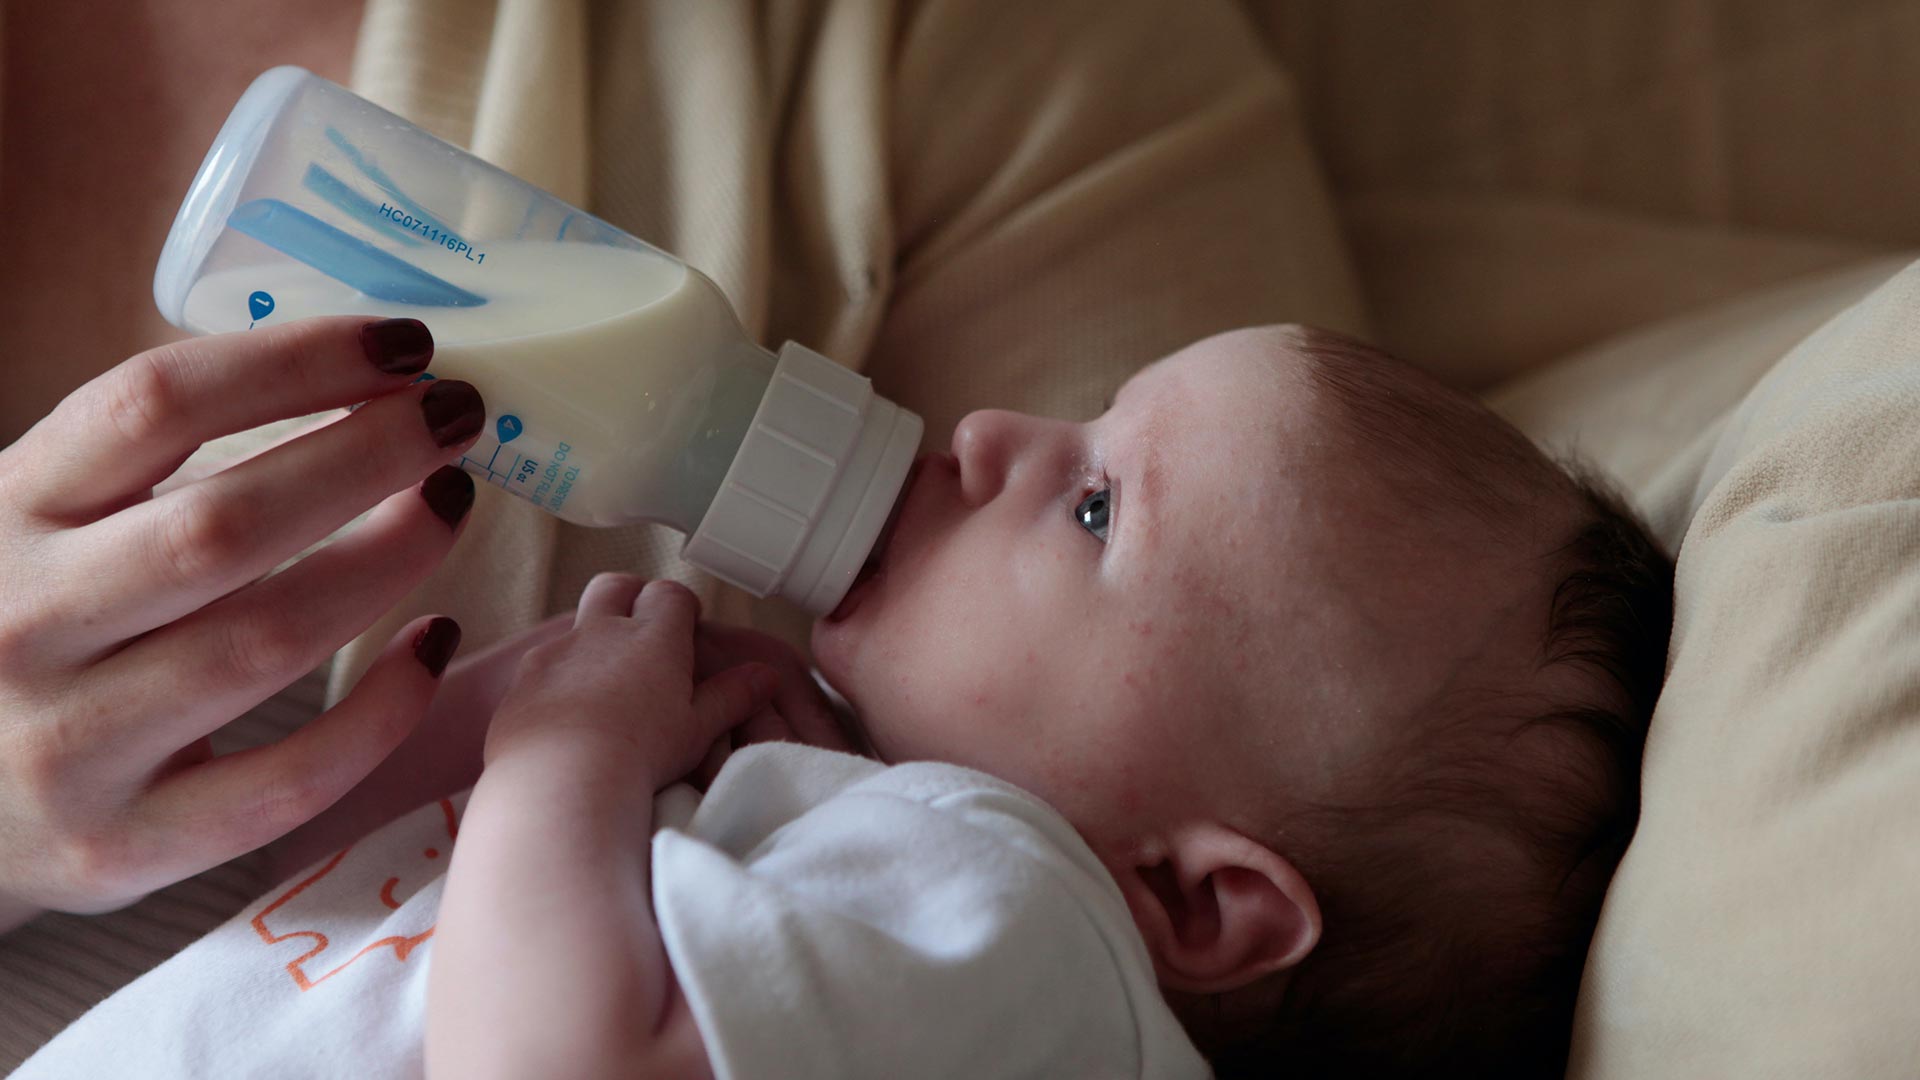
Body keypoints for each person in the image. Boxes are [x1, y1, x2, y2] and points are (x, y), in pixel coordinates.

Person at [14, 323, 1676, 1078]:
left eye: (1096, 507)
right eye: (1090, 418)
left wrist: (567, 757)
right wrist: (527, 728)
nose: (994, 435)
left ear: (1191, 893)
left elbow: (541, 1060)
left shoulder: (1023, 925)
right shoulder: (887, 881)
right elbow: (371, 908)